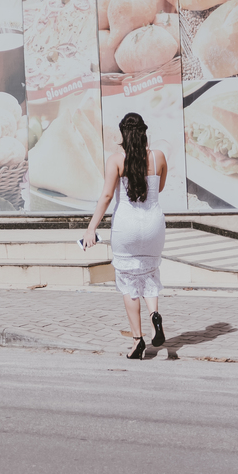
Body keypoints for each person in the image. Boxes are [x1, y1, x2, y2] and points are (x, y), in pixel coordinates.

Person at [83, 113, 168, 360]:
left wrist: (91, 228)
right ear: (144, 132)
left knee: (129, 282)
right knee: (149, 274)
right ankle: (154, 316)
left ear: (123, 134)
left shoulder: (116, 160)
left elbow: (107, 196)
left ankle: (138, 340)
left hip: (126, 228)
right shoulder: (159, 157)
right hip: (153, 225)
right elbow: (160, 187)